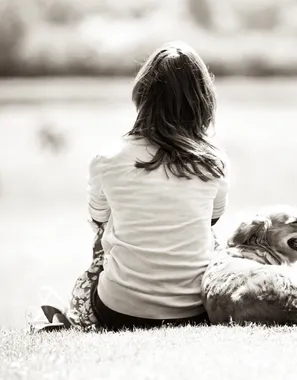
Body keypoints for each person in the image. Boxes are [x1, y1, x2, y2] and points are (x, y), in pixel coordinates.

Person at [83, 41, 229, 331]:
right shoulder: (214, 162)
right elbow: (211, 219)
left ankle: (80, 316)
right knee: (211, 238)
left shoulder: (107, 158)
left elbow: (99, 221)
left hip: (118, 310)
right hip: (195, 310)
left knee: (106, 235)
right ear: (202, 100)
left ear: (142, 94)